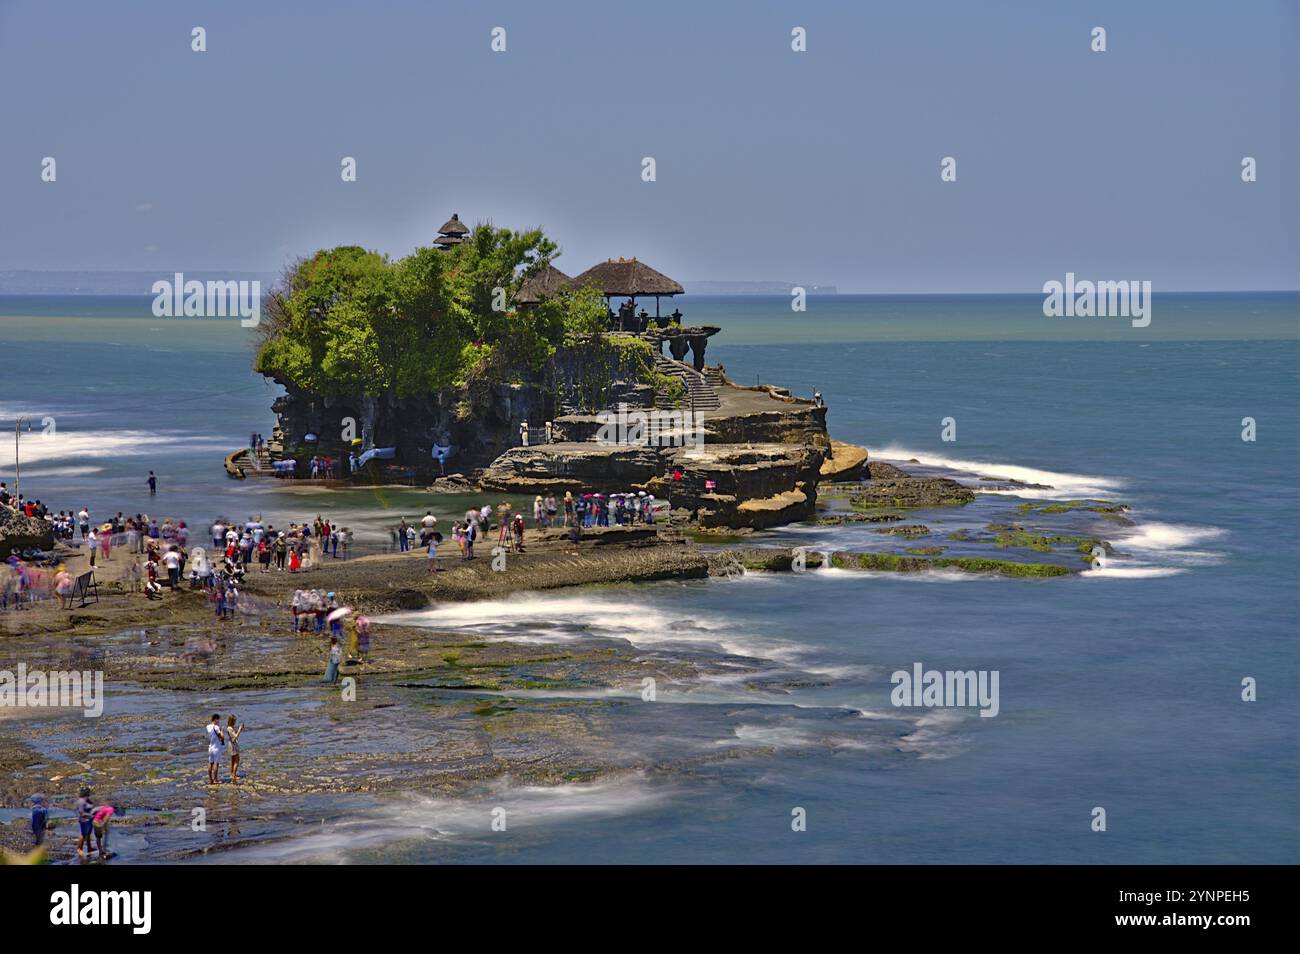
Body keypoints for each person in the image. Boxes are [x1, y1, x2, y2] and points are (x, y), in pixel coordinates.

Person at [75, 787, 94, 857]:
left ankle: (89, 847)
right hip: (84, 820)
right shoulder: (81, 801)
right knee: (83, 835)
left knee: (88, 834)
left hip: (89, 819)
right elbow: (81, 812)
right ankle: (79, 849)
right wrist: (90, 815)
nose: (89, 793)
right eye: (87, 792)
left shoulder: (88, 800)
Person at [206, 714, 224, 784]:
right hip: (216, 747)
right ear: (215, 719)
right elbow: (221, 737)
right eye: (218, 720)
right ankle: (215, 779)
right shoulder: (216, 727)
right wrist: (222, 730)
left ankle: (210, 779)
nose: (219, 721)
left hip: (210, 747)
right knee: (216, 764)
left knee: (210, 763)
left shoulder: (207, 727)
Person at [226, 715, 243, 783]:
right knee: (237, 760)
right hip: (233, 745)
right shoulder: (230, 728)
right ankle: (234, 775)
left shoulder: (229, 728)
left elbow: (233, 736)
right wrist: (239, 729)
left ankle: (231, 774)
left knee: (233, 760)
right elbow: (235, 736)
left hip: (231, 744)